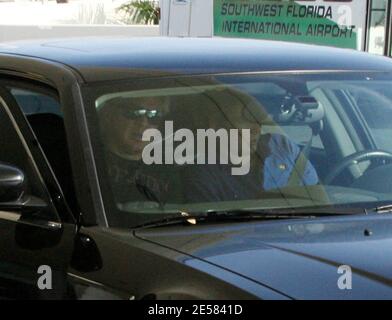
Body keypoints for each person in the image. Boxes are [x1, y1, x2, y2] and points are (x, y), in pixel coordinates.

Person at [183, 87, 319, 202]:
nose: (257, 128)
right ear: (215, 125)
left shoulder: (281, 145)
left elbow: (317, 195)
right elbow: (215, 230)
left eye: (258, 120)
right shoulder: (201, 174)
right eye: (247, 119)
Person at [98, 95, 174, 207]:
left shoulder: (169, 170)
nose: (143, 123)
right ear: (109, 115)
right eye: (133, 112)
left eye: (153, 116)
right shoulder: (90, 160)